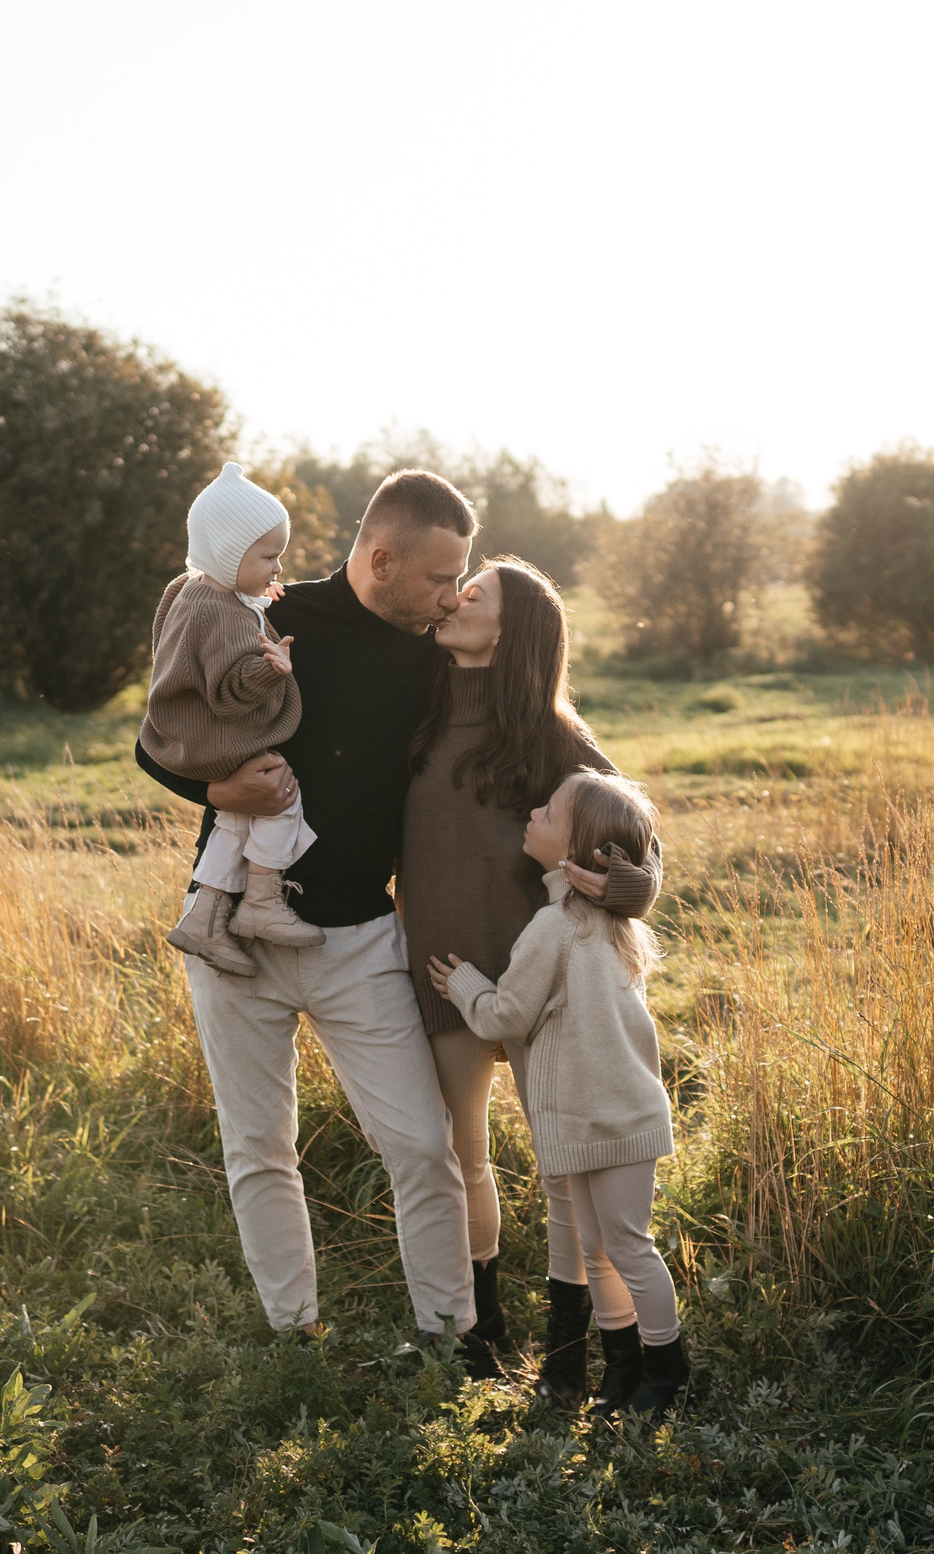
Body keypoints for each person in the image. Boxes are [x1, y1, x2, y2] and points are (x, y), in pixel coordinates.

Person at [135, 469, 487, 1362]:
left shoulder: (433, 659)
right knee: (258, 1149)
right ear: (380, 560)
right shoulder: (265, 616)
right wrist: (212, 785)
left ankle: (444, 1339)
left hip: (360, 938)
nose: (451, 598)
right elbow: (159, 733)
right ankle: (295, 1338)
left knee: (420, 1145)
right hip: (233, 940)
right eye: (440, 579)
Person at [401, 559, 660, 1401]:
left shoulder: (555, 738)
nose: (455, 596)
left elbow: (641, 855)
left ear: (512, 631)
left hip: (545, 994)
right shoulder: (420, 713)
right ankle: (481, 1331)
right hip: (445, 977)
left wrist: (621, 887)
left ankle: (574, 1351)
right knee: (458, 1159)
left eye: (476, 592)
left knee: (563, 1175)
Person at [428, 770, 688, 1417]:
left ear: (577, 851)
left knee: (625, 1247)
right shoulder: (609, 923)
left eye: (548, 811)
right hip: (604, 1119)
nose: (533, 812)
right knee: (605, 1250)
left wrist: (463, 986)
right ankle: (622, 1373)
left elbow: (503, 1016)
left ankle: (665, 1373)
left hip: (609, 1121)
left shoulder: (554, 926)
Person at [141, 462, 324, 976]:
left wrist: (254, 598)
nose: (278, 569)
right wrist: (273, 668)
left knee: (236, 818)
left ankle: (204, 917)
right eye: (268, 556)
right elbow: (229, 692)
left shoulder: (197, 588)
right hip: (214, 735)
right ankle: (262, 903)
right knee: (279, 795)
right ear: (228, 553)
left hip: (185, 733)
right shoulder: (220, 611)